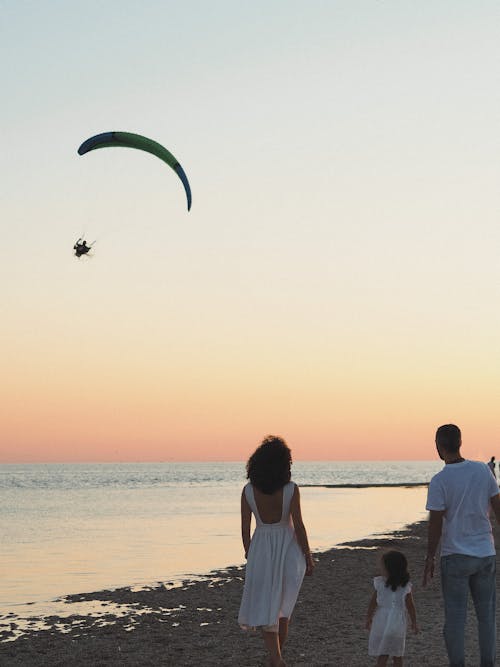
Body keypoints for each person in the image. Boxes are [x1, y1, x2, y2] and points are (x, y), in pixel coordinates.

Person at [423, 424, 500, 667]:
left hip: (455, 555)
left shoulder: (439, 480)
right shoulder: (482, 471)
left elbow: (435, 524)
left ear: (439, 447)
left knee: (456, 619)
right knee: (486, 617)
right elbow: (498, 508)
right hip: (485, 553)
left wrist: (430, 557)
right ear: (460, 442)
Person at [238, 435, 314, 667]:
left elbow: (245, 527)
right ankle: (276, 658)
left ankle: (275, 657)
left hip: (261, 546)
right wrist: (308, 557)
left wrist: (249, 553)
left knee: (266, 605)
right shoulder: (291, 490)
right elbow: (298, 526)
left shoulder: (248, 491)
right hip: (288, 548)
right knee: (282, 608)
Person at [366, 550, 418, 667]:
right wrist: (413, 622)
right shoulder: (386, 584)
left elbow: (373, 602)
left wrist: (369, 618)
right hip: (396, 623)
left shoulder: (400, 586)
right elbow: (410, 606)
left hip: (384, 622)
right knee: (396, 654)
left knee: (385, 653)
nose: (380, 568)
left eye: (382, 566)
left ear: (390, 568)